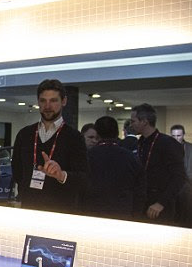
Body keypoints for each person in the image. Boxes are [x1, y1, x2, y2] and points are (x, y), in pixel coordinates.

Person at [11, 79, 88, 213]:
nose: (47, 106)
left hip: (60, 212)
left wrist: (61, 175)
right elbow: (17, 171)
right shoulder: (24, 134)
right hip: (29, 209)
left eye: (53, 100)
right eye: (43, 101)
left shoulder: (74, 137)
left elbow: (83, 178)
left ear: (63, 101)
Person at [82, 116, 146, 220]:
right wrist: (135, 215)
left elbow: (80, 187)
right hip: (123, 212)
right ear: (117, 133)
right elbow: (140, 191)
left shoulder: (87, 157)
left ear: (97, 134)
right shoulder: (131, 158)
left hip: (92, 212)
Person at [130, 104, 186, 223]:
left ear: (144, 121)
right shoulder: (139, 143)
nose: (131, 125)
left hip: (160, 206)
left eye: (133, 121)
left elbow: (179, 177)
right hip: (141, 202)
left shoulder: (168, 144)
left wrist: (161, 203)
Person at [170, 124, 192, 227]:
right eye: (173, 136)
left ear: (183, 135)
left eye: (178, 135)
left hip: (188, 185)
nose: (176, 138)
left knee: (186, 214)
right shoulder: (167, 149)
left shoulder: (190, 148)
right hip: (172, 185)